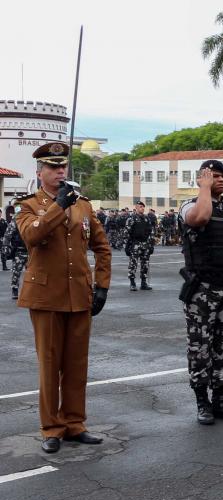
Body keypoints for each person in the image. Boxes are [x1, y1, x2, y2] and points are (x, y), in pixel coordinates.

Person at [15, 142, 111, 453]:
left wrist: (102, 285)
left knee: (76, 364)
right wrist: (57, 205)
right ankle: (51, 428)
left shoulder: (82, 204)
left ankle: (74, 423)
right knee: (49, 364)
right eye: (53, 167)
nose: (60, 171)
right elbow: (32, 235)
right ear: (40, 172)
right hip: (45, 296)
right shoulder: (27, 205)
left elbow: (102, 246)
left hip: (78, 296)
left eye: (62, 166)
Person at [178, 160, 223, 425]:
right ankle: (202, 401)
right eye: (212, 176)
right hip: (202, 291)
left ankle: (220, 399)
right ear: (201, 180)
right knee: (200, 348)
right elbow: (201, 218)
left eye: (221, 177)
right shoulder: (189, 206)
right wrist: (204, 189)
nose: (218, 180)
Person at [125, 201, 154, 291]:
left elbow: (150, 232)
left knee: (145, 264)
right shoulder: (131, 219)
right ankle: (132, 283)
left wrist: (151, 245)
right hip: (135, 244)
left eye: (143, 207)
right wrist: (127, 246)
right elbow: (126, 233)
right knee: (133, 264)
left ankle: (143, 283)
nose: (142, 208)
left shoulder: (146, 219)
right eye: (140, 207)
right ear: (136, 208)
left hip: (145, 244)